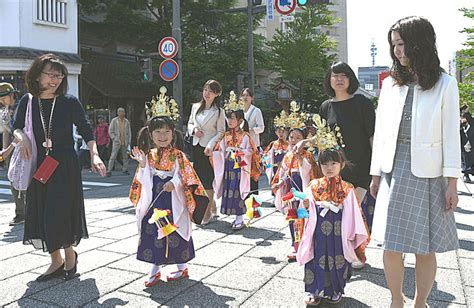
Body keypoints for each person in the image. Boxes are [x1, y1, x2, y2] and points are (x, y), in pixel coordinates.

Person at [369, 17, 460, 308]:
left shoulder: (445, 83)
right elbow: (381, 132)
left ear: (419, 42)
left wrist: (452, 184)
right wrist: (374, 175)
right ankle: (397, 300)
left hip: (429, 171)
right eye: (394, 44)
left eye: (402, 43)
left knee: (425, 246)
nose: (397, 50)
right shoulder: (390, 84)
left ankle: (420, 302)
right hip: (392, 168)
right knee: (390, 243)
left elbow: (450, 137)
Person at [13, 53, 106, 281]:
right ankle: (56, 261)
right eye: (51, 75)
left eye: (59, 75)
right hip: (39, 164)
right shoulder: (28, 101)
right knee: (42, 212)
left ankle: (69, 255)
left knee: (60, 212)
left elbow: (86, 130)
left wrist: (94, 155)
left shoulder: (69, 101)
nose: (55, 80)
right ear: (37, 76)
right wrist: (21, 138)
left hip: (64, 164)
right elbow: (16, 127)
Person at [129, 89, 209, 287]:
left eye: (166, 131)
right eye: (158, 132)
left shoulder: (179, 156)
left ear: (173, 133)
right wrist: (142, 165)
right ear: (151, 134)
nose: (162, 136)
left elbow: (186, 177)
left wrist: (174, 183)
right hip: (155, 199)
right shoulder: (148, 155)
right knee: (153, 230)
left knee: (175, 231)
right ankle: (155, 268)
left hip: (173, 200)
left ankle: (182, 267)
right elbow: (143, 179)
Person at [297, 119, 369, 305]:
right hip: (317, 231)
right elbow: (306, 210)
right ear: (319, 166)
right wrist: (306, 205)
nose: (329, 168)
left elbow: (355, 214)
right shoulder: (314, 185)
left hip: (339, 231)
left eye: (333, 164)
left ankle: (336, 290)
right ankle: (315, 291)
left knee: (337, 259)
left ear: (341, 165)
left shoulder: (347, 188)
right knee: (316, 258)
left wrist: (351, 235)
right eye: (325, 164)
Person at [318, 61, 376, 269]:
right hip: (335, 170)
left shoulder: (362, 103)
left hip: (361, 168)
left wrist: (377, 167)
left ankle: (357, 254)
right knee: (338, 213)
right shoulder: (326, 106)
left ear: (350, 79)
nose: (339, 79)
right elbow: (322, 137)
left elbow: (371, 136)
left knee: (353, 211)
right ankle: (343, 252)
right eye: (335, 76)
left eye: (344, 75)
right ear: (329, 80)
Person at [271, 101, 322, 262]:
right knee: (292, 217)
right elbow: (283, 172)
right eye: (291, 137)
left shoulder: (307, 156)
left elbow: (310, 172)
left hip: (302, 189)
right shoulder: (287, 155)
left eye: (298, 137)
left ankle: (306, 245)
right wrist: (279, 183)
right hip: (290, 191)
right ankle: (295, 245)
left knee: (303, 217)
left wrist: (300, 158)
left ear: (304, 139)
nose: (293, 140)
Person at [212, 91, 261, 230]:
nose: (230, 121)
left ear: (240, 121)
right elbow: (219, 150)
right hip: (228, 166)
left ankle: (239, 216)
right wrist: (216, 152)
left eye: (232, 118)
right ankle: (235, 216)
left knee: (238, 191)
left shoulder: (245, 136)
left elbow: (252, 151)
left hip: (240, 167)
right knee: (229, 190)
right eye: (228, 118)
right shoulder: (226, 136)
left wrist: (240, 152)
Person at [187, 80, 225, 225]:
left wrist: (211, 145)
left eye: (210, 91)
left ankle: (207, 212)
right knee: (197, 179)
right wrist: (194, 130)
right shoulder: (196, 107)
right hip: (196, 146)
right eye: (205, 90)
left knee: (207, 180)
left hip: (209, 150)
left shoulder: (219, 111)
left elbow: (221, 131)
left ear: (216, 94)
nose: (207, 93)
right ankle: (210, 205)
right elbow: (191, 123)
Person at [0, 82, 26, 226]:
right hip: (11, 149)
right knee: (13, 182)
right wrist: (4, 153)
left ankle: (30, 211)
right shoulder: (5, 111)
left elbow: (21, 132)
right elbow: (5, 131)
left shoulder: (22, 108)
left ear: (12, 94)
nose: (2, 101)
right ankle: (20, 213)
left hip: (24, 146)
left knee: (25, 179)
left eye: (4, 98)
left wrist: (8, 149)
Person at [241, 88, 265, 192]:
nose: (245, 97)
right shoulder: (239, 110)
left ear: (252, 98)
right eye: (243, 95)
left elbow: (261, 127)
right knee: (243, 172)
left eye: (247, 95)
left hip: (253, 145)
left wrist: (251, 130)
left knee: (253, 173)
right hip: (241, 146)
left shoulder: (256, 111)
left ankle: (254, 197)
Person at [263, 110, 289, 185]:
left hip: (286, 170)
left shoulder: (290, 145)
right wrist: (271, 165)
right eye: (279, 131)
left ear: (287, 132)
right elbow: (265, 158)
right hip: (275, 170)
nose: (281, 133)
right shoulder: (273, 144)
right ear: (275, 132)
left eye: (283, 131)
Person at [107, 107, 131, 176]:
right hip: (117, 141)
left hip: (125, 141)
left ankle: (125, 169)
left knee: (125, 157)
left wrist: (129, 141)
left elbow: (129, 132)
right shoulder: (114, 121)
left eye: (123, 112)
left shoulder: (126, 121)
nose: (122, 113)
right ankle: (109, 170)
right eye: (120, 112)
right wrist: (114, 138)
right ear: (117, 113)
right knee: (113, 156)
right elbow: (110, 131)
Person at [460, 111, 474, 182]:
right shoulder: (461, 125)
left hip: (471, 146)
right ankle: (466, 176)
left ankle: (467, 174)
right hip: (463, 146)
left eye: (462, 118)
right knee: (465, 161)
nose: (461, 119)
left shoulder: (472, 124)